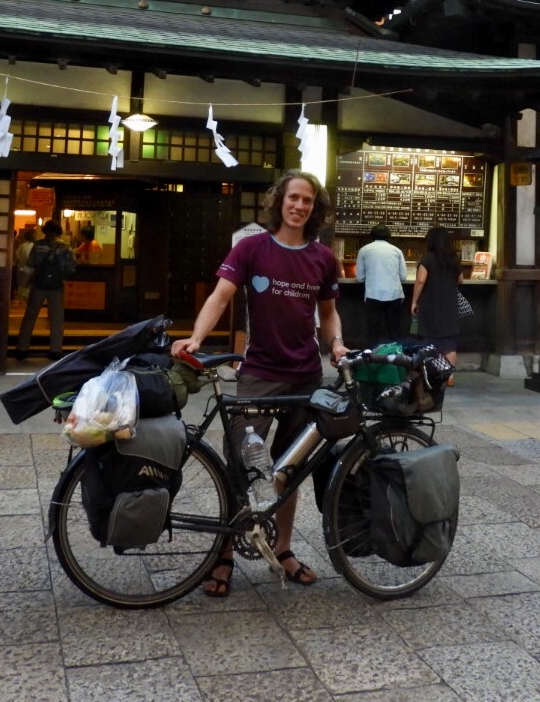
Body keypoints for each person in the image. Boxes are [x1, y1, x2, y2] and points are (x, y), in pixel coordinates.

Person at [172, 169, 345, 597]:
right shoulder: (252, 248)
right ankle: (225, 554)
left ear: (314, 207)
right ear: (279, 201)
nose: (299, 206)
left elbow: (328, 313)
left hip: (305, 376)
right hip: (259, 375)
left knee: (290, 468)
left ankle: (283, 549)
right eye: (293, 197)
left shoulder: (323, 257)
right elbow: (220, 296)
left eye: (307, 200)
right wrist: (197, 337)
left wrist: (337, 344)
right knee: (241, 467)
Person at [17, 221, 72, 359]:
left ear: (45, 231)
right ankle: (55, 349)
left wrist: (23, 282)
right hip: (57, 286)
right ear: (58, 232)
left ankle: (22, 348)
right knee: (57, 318)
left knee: (30, 316)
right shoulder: (65, 247)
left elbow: (30, 264)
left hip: (39, 285)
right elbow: (71, 267)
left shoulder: (39, 245)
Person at [411, 225, 463, 369]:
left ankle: (432, 373)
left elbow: (420, 280)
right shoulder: (454, 259)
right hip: (450, 304)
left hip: (430, 304)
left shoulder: (427, 258)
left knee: (429, 340)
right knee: (449, 343)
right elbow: (461, 279)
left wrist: (414, 302)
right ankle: (449, 375)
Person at [356, 223, 407, 344]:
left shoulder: (364, 250)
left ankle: (373, 354)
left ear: (372, 236)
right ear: (389, 237)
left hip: (373, 295)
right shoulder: (397, 251)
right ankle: (396, 354)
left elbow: (360, 277)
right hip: (394, 295)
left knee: (373, 333)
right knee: (394, 332)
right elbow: (403, 277)